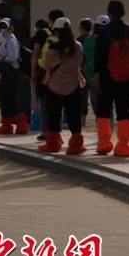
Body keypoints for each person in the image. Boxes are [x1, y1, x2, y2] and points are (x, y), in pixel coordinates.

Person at [94, 0, 129, 156]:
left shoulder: (102, 32)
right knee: (124, 111)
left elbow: (99, 56)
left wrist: (97, 75)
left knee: (104, 109)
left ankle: (104, 142)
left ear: (109, 13)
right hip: (127, 78)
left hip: (108, 76)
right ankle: (122, 145)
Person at [38, 18, 86, 154]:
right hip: (72, 85)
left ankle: (53, 144)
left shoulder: (53, 47)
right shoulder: (77, 46)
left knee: (53, 115)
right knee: (73, 115)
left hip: (54, 86)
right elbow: (79, 62)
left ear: (57, 31)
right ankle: (76, 145)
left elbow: (45, 65)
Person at [0, 18, 28, 135]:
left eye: (5, 26)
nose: (2, 28)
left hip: (10, 73)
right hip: (6, 72)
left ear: (10, 27)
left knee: (9, 99)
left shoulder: (11, 40)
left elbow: (13, 57)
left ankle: (21, 125)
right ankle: (7, 125)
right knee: (6, 100)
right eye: (1, 26)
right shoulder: (5, 39)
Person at [77, 18, 97, 127]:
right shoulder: (94, 39)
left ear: (82, 28)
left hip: (82, 71)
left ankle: (82, 120)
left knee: (82, 96)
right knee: (95, 96)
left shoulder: (79, 40)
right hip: (94, 71)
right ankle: (99, 119)